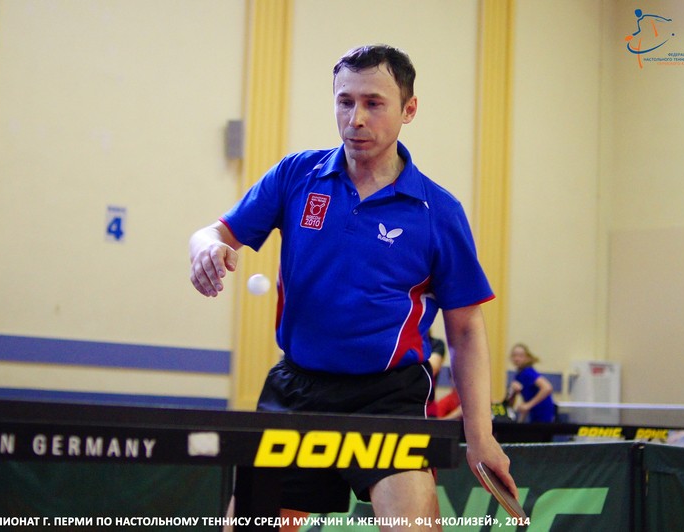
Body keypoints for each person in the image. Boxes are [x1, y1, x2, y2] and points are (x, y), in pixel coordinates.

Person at [189, 44, 516, 529]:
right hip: (297, 389)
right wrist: (205, 248)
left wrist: (480, 435)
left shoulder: (438, 212)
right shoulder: (296, 176)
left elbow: (465, 329)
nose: (356, 118)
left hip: (388, 397)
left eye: (373, 103)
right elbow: (214, 232)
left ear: (409, 110)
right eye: (345, 101)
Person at [507, 343, 557, 423]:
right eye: (514, 355)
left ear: (527, 358)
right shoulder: (518, 375)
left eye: (520, 356)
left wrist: (528, 405)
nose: (517, 358)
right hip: (534, 414)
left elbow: (547, 387)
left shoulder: (528, 372)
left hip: (543, 413)